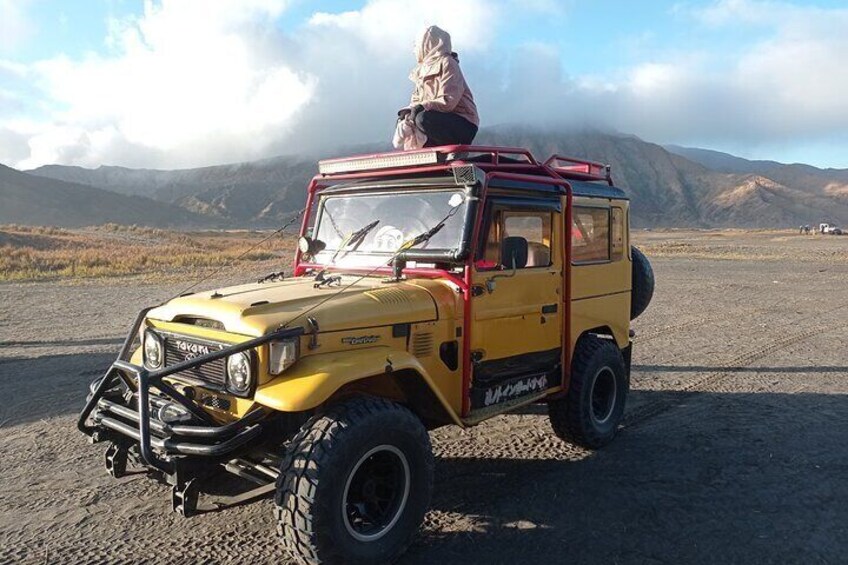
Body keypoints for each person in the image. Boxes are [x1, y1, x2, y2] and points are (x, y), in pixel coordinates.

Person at [397, 25, 479, 148]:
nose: (414, 50)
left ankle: (446, 151)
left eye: (416, 44)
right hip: (439, 118)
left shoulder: (448, 63)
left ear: (427, 44)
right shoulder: (420, 71)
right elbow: (415, 100)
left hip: (463, 123)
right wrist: (408, 113)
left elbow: (448, 101)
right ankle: (428, 152)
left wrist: (422, 107)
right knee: (407, 120)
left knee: (423, 118)